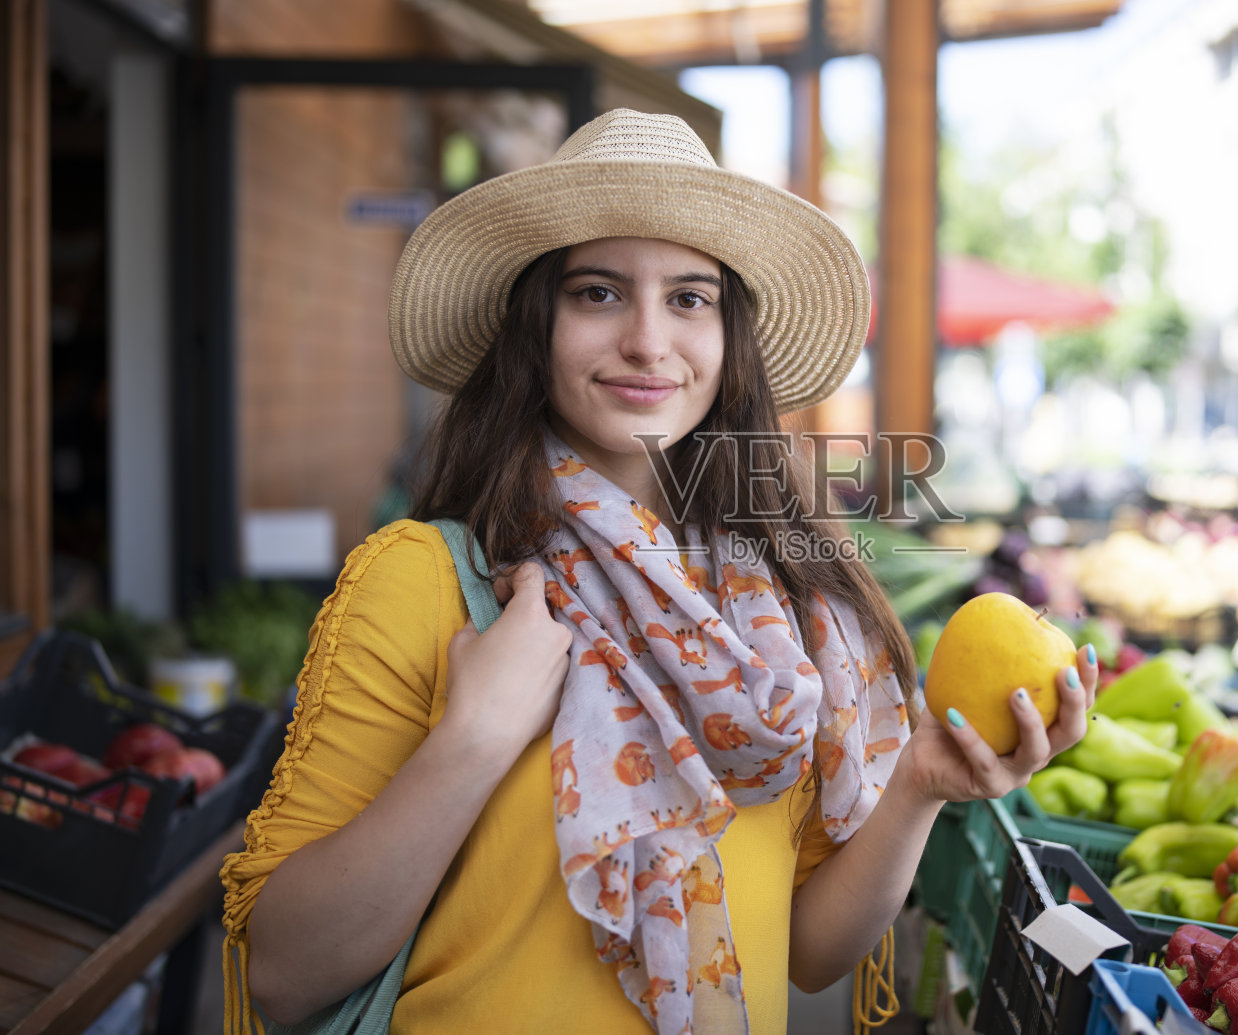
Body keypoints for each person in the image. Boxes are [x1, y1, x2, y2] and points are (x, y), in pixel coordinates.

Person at [220, 109, 1097, 1035]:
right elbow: (284, 969)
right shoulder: (427, 581)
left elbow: (809, 952)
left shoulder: (789, 605)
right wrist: (475, 734)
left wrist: (920, 780)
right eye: (598, 293)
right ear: (535, 324)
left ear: (730, 339)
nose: (648, 341)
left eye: (689, 298)